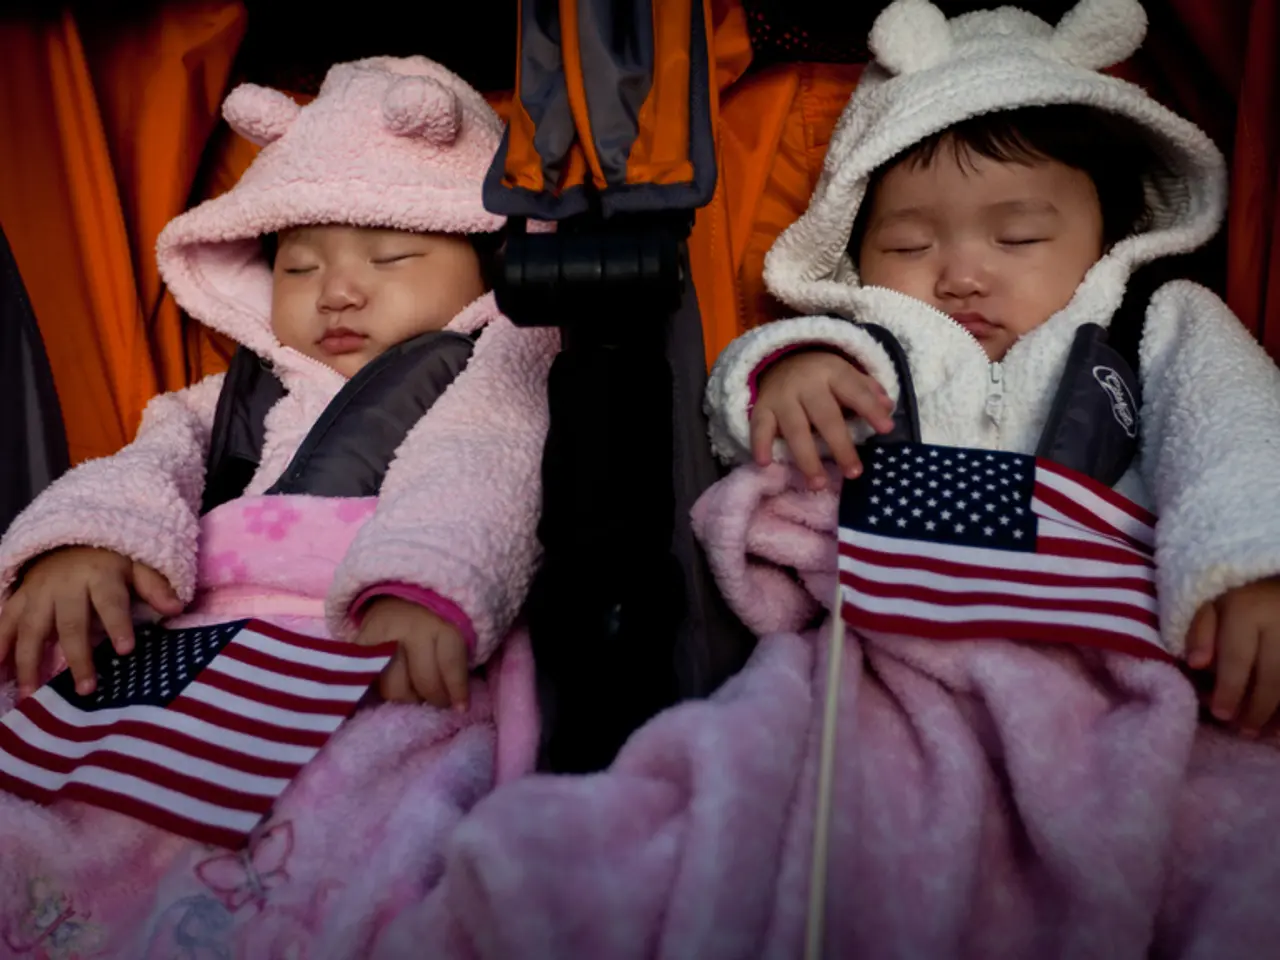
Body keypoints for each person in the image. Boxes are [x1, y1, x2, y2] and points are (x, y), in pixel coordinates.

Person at [704, 0, 1280, 734]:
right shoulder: (855, 342)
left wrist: (1251, 560)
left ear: (1112, 234)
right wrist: (786, 372)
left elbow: (1236, 433)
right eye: (909, 246)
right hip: (883, 648)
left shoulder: (1154, 327)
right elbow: (742, 416)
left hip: (1105, 651)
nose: (961, 276)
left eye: (1018, 236)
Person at [0, 56, 555, 715]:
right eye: (300, 267)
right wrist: (87, 541)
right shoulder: (232, 398)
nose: (337, 294)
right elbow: (145, 467)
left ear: (490, 265)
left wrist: (425, 578)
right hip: (194, 654)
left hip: (377, 645)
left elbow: (487, 464)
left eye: (390, 258)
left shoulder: (493, 369)